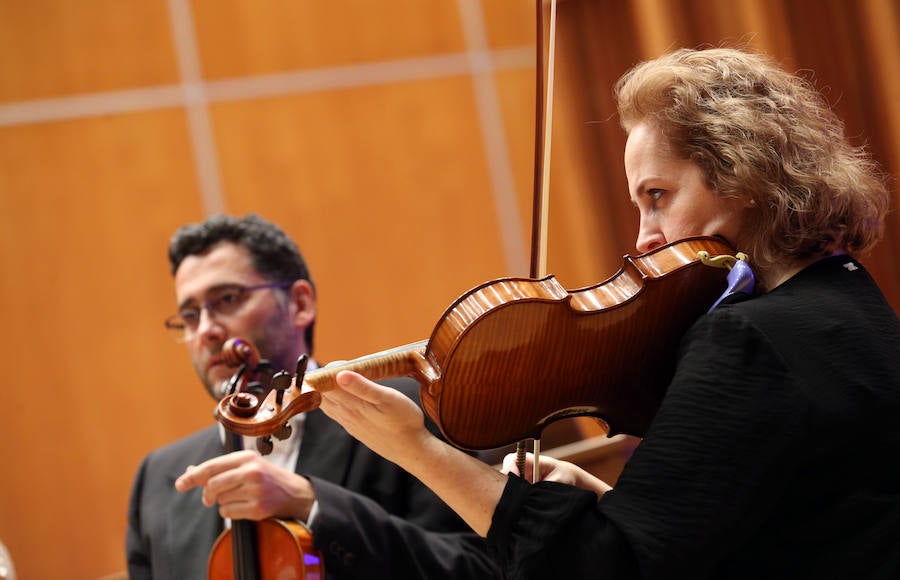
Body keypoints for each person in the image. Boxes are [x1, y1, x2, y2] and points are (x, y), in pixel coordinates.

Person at [317, 47, 900, 579]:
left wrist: (416, 450)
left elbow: (600, 571)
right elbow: (776, 527)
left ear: (740, 174)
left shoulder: (747, 339)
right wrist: (596, 500)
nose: (644, 237)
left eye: (658, 196)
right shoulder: (848, 303)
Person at [126, 214, 500, 579]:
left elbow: (480, 568)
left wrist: (313, 503)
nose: (206, 330)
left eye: (226, 299)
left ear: (300, 303)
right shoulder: (157, 479)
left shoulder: (403, 411)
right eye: (190, 316)